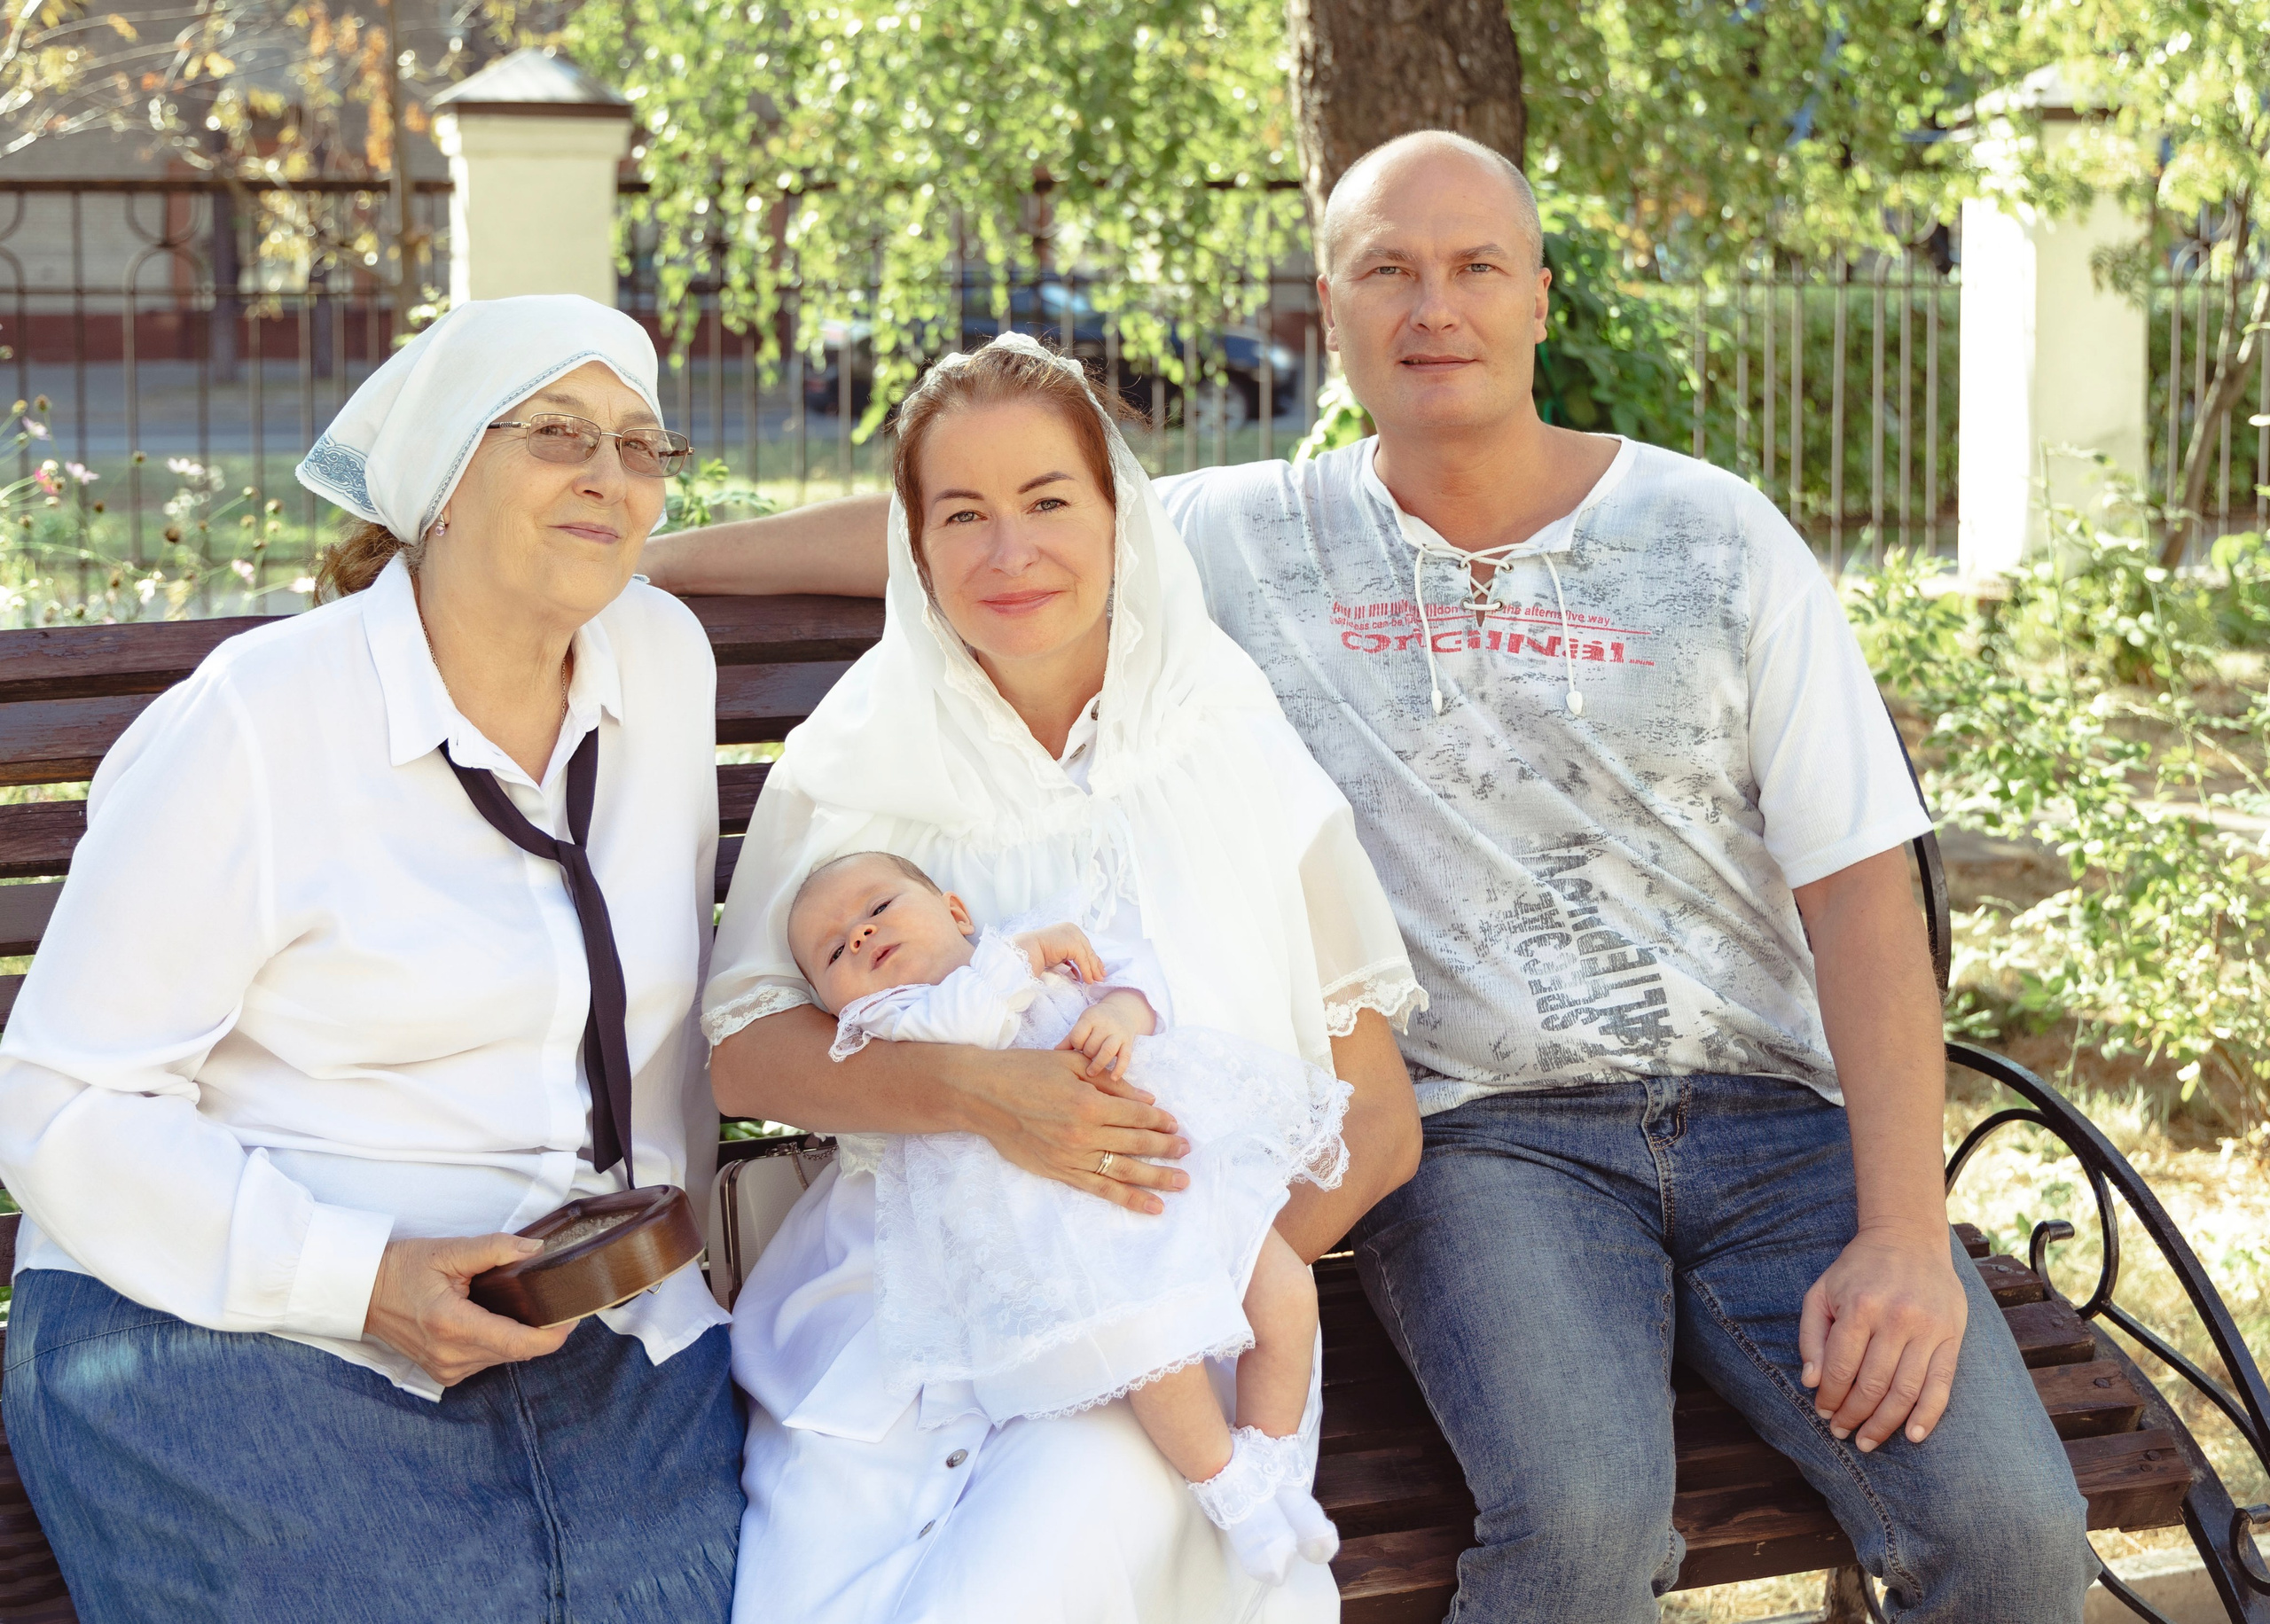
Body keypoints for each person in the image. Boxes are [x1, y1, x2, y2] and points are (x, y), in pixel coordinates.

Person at [648, 134, 2101, 1620]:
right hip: (1491, 1148)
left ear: (1540, 297)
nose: (1435, 306)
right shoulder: (1240, 536)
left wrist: (1904, 1232)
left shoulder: (1715, 536)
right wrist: (642, 559)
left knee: (2019, 1539)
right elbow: (975, 523)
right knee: (1581, 1528)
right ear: (1332, 309)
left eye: (1476, 268)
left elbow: (1862, 890)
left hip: (1771, 1127)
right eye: (1388, 271)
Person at [0, 295, 743, 1623]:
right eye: (557, 434)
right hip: (239, 1310)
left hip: (581, 1316)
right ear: (440, 480)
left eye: (641, 447)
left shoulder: (659, 662)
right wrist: (361, 1279)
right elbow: (64, 1098)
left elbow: (977, 528)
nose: (610, 474)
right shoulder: (262, 718)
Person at [702, 334, 1424, 1624]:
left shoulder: (1226, 735)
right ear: (913, 544)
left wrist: (1186, 1281)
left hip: (1166, 1327)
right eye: (961, 515)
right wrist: (979, 1095)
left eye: (1048, 501)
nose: (1009, 553)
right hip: (900, 1306)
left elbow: (1376, 1119)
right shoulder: (859, 750)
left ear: (1118, 512)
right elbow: (748, 1053)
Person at [785, 854, 1346, 1581]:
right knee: (1155, 1350)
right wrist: (1021, 959)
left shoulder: (1029, 937)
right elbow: (967, 1021)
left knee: (1285, 1291)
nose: (860, 936)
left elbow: (1138, 972)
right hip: (1067, 1223)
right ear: (835, 1005)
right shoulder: (888, 1023)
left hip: (1174, 1164)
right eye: (834, 952)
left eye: (878, 908)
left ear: (956, 912)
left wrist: (1121, 1012)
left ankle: (1277, 1469)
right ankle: (1232, 1492)